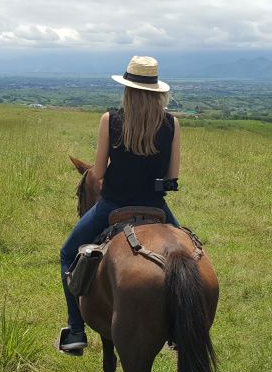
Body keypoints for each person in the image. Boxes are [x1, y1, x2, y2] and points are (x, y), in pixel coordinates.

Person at [58, 56, 181, 353]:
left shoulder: (110, 120)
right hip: (156, 207)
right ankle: (178, 329)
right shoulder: (172, 123)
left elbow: (97, 173)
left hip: (111, 205)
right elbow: (172, 178)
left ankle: (76, 330)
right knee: (188, 256)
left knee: (66, 254)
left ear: (127, 89)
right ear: (157, 92)